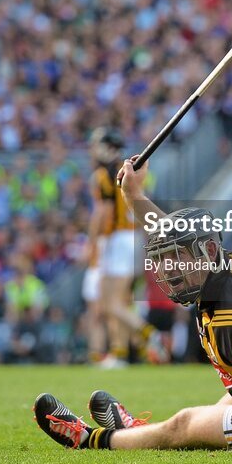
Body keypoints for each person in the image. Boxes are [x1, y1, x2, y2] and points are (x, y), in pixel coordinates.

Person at [32, 155, 232, 455]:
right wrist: (134, 193)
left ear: (208, 250)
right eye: (163, 258)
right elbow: (165, 231)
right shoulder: (230, 264)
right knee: (213, 413)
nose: (167, 268)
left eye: (177, 257)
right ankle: (134, 432)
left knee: (184, 425)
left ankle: (91, 440)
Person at [86, 128, 163, 367]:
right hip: (133, 238)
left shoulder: (103, 174)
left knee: (111, 303)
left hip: (116, 239)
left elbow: (103, 212)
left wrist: (93, 243)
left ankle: (148, 333)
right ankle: (119, 353)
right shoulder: (132, 170)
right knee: (120, 300)